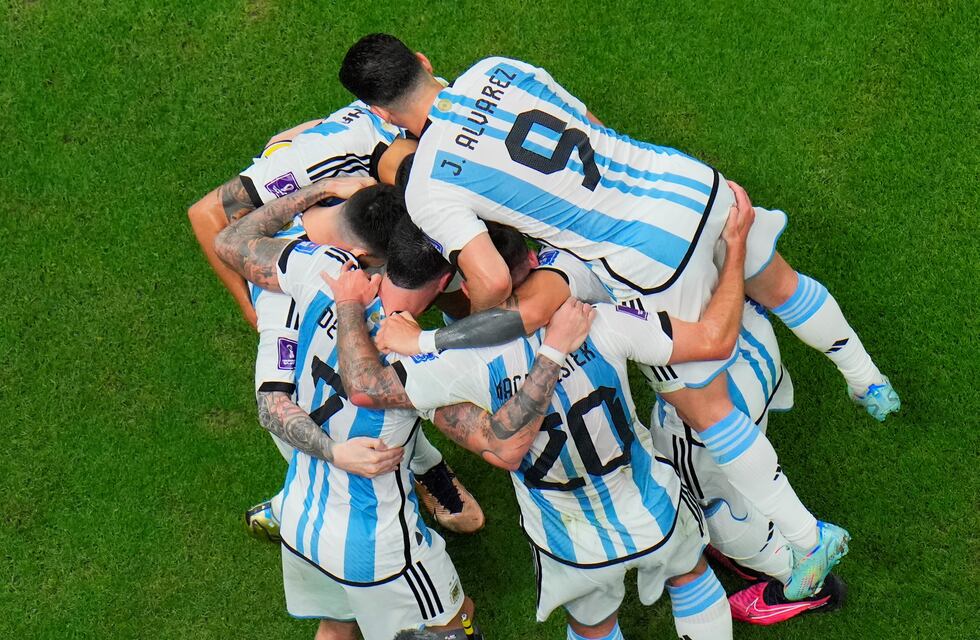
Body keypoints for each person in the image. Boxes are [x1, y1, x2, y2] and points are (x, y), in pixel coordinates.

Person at [338, 34, 890, 599]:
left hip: (649, 256)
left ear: (379, 113)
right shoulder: (497, 68)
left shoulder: (430, 182)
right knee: (781, 284)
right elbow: (591, 124)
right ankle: (866, 378)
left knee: (708, 411)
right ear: (424, 63)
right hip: (687, 183)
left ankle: (806, 535)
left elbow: (495, 279)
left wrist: (462, 330)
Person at [323, 200, 757, 640]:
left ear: (469, 288)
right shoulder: (602, 318)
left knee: (594, 627)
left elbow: (363, 386)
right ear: (533, 260)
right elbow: (714, 340)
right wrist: (736, 248)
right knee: (691, 578)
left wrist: (349, 305)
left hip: (571, 543)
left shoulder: (450, 363)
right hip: (654, 504)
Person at [214, 178, 593, 639]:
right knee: (454, 625)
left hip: (299, 517)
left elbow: (230, 241)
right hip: (379, 549)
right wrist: (552, 352)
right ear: (447, 279)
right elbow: (505, 445)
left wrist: (321, 190)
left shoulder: (327, 270)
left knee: (337, 627)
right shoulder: (423, 364)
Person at [188, 114, 483, 537]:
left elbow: (283, 139)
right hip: (313, 406)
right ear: (361, 253)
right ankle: (291, 507)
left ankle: (428, 468)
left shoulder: (336, 182)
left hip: (339, 319)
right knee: (352, 435)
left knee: (389, 392)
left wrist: (322, 188)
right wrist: (334, 453)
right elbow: (273, 406)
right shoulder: (282, 307)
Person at [649, 298, 847, 625]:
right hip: (754, 343)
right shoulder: (724, 242)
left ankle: (805, 583)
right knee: (737, 466)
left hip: (703, 392)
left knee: (707, 501)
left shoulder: (599, 255)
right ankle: (763, 546)